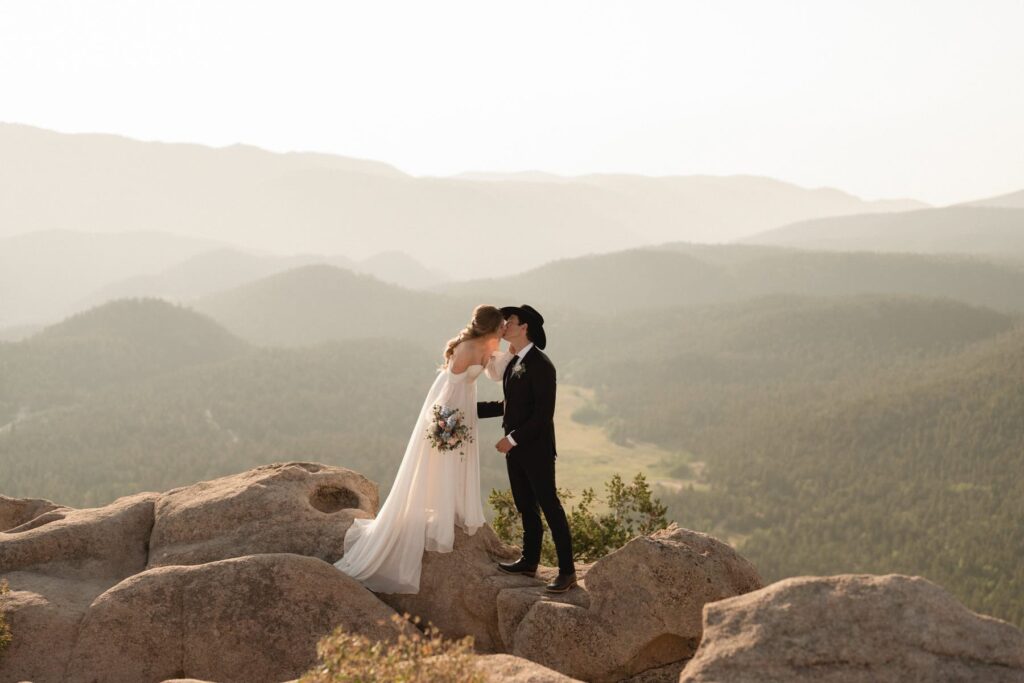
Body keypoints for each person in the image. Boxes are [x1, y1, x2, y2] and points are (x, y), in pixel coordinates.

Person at [334, 304, 507, 593]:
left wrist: (509, 351)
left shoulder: (489, 344)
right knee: (444, 463)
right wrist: (446, 425)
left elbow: (493, 374)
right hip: (449, 411)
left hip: (461, 409)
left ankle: (453, 511)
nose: (504, 328)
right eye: (501, 325)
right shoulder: (466, 349)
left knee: (458, 462)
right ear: (491, 327)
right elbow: (449, 392)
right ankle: (439, 516)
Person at [478, 305, 577, 593]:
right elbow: (511, 405)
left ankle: (567, 571)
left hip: (536, 449)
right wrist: (468, 411)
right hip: (517, 449)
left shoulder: (542, 365)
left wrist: (513, 438)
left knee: (550, 506)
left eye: (510, 321)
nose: (505, 324)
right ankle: (529, 560)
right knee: (525, 506)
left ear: (525, 328)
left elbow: (543, 415)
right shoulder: (512, 362)